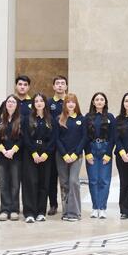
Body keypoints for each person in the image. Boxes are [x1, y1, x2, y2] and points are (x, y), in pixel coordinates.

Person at [22, 93, 55, 223]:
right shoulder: (27, 119)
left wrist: (46, 153)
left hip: (46, 153)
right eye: (36, 101)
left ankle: (41, 212)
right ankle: (29, 212)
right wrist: (34, 153)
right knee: (31, 182)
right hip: (31, 153)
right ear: (33, 104)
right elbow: (26, 137)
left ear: (45, 103)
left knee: (43, 183)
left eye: (41, 100)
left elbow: (53, 138)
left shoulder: (50, 119)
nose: (39, 103)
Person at [55, 93, 87, 222]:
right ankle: (66, 211)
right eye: (68, 102)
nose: (71, 104)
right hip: (61, 156)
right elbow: (56, 139)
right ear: (65, 104)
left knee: (73, 181)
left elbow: (84, 138)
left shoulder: (81, 119)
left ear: (76, 104)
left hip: (76, 156)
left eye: (73, 102)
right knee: (64, 183)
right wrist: (64, 154)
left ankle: (74, 213)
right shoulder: (59, 119)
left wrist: (75, 154)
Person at [84, 92, 115, 220]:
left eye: (102, 99)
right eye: (97, 99)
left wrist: (108, 153)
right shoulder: (87, 117)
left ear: (105, 102)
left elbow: (113, 136)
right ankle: (95, 207)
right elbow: (84, 136)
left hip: (105, 148)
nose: (99, 101)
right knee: (93, 180)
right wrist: (87, 153)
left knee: (104, 180)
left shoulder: (110, 117)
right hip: (91, 148)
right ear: (93, 102)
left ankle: (102, 208)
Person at [0, 95, 23, 221]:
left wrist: (13, 150)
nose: (10, 103)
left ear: (17, 105)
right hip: (1, 156)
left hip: (16, 157)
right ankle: (4, 209)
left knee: (15, 184)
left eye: (13, 102)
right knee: (4, 184)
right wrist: (3, 150)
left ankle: (14, 209)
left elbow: (23, 138)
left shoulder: (21, 120)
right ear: (5, 104)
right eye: (8, 101)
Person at [46, 75, 67, 216]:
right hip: (52, 145)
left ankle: (68, 204)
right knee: (51, 177)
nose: (60, 85)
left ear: (66, 86)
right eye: (57, 83)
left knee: (66, 178)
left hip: (66, 145)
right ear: (53, 86)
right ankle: (53, 204)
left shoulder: (70, 101)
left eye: (62, 83)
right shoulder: (48, 103)